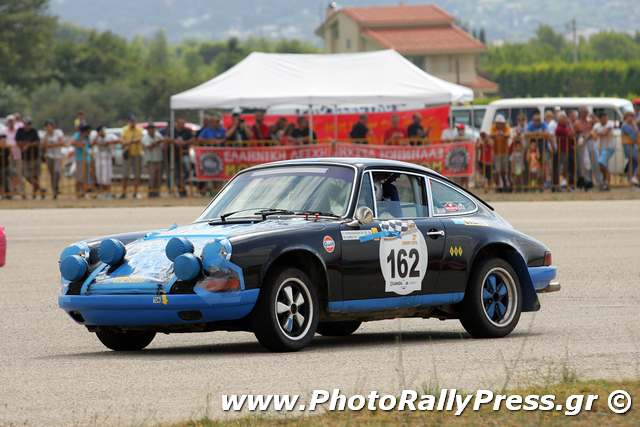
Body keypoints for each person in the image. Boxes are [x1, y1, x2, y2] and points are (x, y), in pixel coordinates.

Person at [15, 117, 42, 199]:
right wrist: (27, 144)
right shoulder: (20, 131)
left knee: (35, 176)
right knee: (26, 175)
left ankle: (34, 194)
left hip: (35, 157)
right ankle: (40, 188)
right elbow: (17, 142)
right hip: (25, 158)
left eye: (29, 123)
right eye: (26, 123)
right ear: (23, 124)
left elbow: (37, 142)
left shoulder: (34, 131)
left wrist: (28, 145)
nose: (27, 125)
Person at [121, 115, 144, 199]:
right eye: (131, 121)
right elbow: (123, 141)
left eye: (134, 121)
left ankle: (135, 193)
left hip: (137, 153)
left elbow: (139, 139)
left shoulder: (139, 129)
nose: (133, 123)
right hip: (128, 154)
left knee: (137, 175)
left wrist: (129, 142)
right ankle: (123, 193)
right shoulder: (124, 129)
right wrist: (132, 141)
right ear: (129, 122)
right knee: (125, 174)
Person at [41, 120, 65, 199]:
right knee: (52, 174)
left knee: (57, 172)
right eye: (46, 126)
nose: (48, 128)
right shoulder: (45, 134)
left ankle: (56, 187)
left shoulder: (58, 132)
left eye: (49, 126)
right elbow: (44, 145)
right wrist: (47, 136)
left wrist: (51, 145)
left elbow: (62, 142)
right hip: (49, 156)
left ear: (53, 126)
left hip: (57, 156)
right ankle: (54, 191)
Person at [170, 118, 194, 198]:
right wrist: (174, 141)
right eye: (181, 123)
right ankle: (181, 190)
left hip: (185, 154)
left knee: (187, 170)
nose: (183, 125)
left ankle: (184, 183)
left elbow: (193, 139)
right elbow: (166, 138)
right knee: (177, 173)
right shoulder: (172, 131)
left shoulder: (187, 131)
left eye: (184, 123)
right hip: (175, 155)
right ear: (177, 123)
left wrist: (185, 142)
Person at [92, 126, 117, 198]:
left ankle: (108, 192)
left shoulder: (110, 136)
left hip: (107, 159)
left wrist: (108, 143)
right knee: (100, 177)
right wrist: (97, 136)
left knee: (107, 177)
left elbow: (119, 140)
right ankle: (102, 193)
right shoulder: (96, 137)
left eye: (103, 130)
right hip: (99, 159)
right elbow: (92, 144)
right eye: (101, 131)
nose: (103, 132)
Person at [592, 112, 614, 191]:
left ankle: (607, 182)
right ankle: (605, 183)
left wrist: (597, 133)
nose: (605, 119)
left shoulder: (610, 123)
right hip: (600, 148)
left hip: (609, 147)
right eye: (604, 118)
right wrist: (597, 133)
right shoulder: (596, 125)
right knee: (602, 166)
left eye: (606, 118)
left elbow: (604, 133)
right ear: (600, 119)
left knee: (601, 163)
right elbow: (594, 135)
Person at [142, 123, 164, 198]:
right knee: (152, 176)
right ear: (148, 130)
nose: (152, 130)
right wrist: (157, 142)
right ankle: (151, 191)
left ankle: (157, 191)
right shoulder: (145, 137)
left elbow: (163, 142)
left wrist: (159, 142)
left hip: (159, 158)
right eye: (150, 129)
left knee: (158, 176)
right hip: (150, 160)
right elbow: (149, 146)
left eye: (153, 128)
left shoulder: (158, 135)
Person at [490, 114, 511, 191]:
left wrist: (502, 134)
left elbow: (508, 134)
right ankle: (499, 185)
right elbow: (491, 134)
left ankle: (506, 184)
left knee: (505, 170)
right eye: (498, 123)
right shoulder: (493, 127)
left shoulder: (506, 127)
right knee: (497, 170)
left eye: (501, 123)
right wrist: (497, 134)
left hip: (505, 152)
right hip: (496, 152)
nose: (499, 125)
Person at [554, 112, 575, 191]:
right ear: (560, 120)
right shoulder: (559, 128)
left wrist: (569, 125)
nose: (566, 120)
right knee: (562, 168)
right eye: (564, 119)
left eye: (565, 118)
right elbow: (571, 134)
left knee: (566, 168)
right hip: (561, 151)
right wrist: (570, 125)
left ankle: (565, 184)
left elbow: (572, 134)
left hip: (567, 150)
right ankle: (559, 185)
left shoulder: (565, 126)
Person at [72, 124, 92, 198]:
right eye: (88, 131)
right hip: (80, 159)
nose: (89, 132)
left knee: (86, 177)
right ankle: (77, 192)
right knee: (79, 177)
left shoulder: (87, 137)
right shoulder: (77, 135)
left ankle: (84, 192)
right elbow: (73, 143)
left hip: (87, 158)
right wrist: (80, 145)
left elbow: (89, 145)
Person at [621, 111, 639, 186]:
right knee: (637, 160)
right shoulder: (625, 125)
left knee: (633, 163)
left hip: (633, 147)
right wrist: (635, 126)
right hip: (628, 147)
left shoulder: (631, 125)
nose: (631, 118)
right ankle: (634, 177)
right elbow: (633, 136)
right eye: (630, 116)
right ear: (626, 117)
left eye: (632, 116)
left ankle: (630, 180)